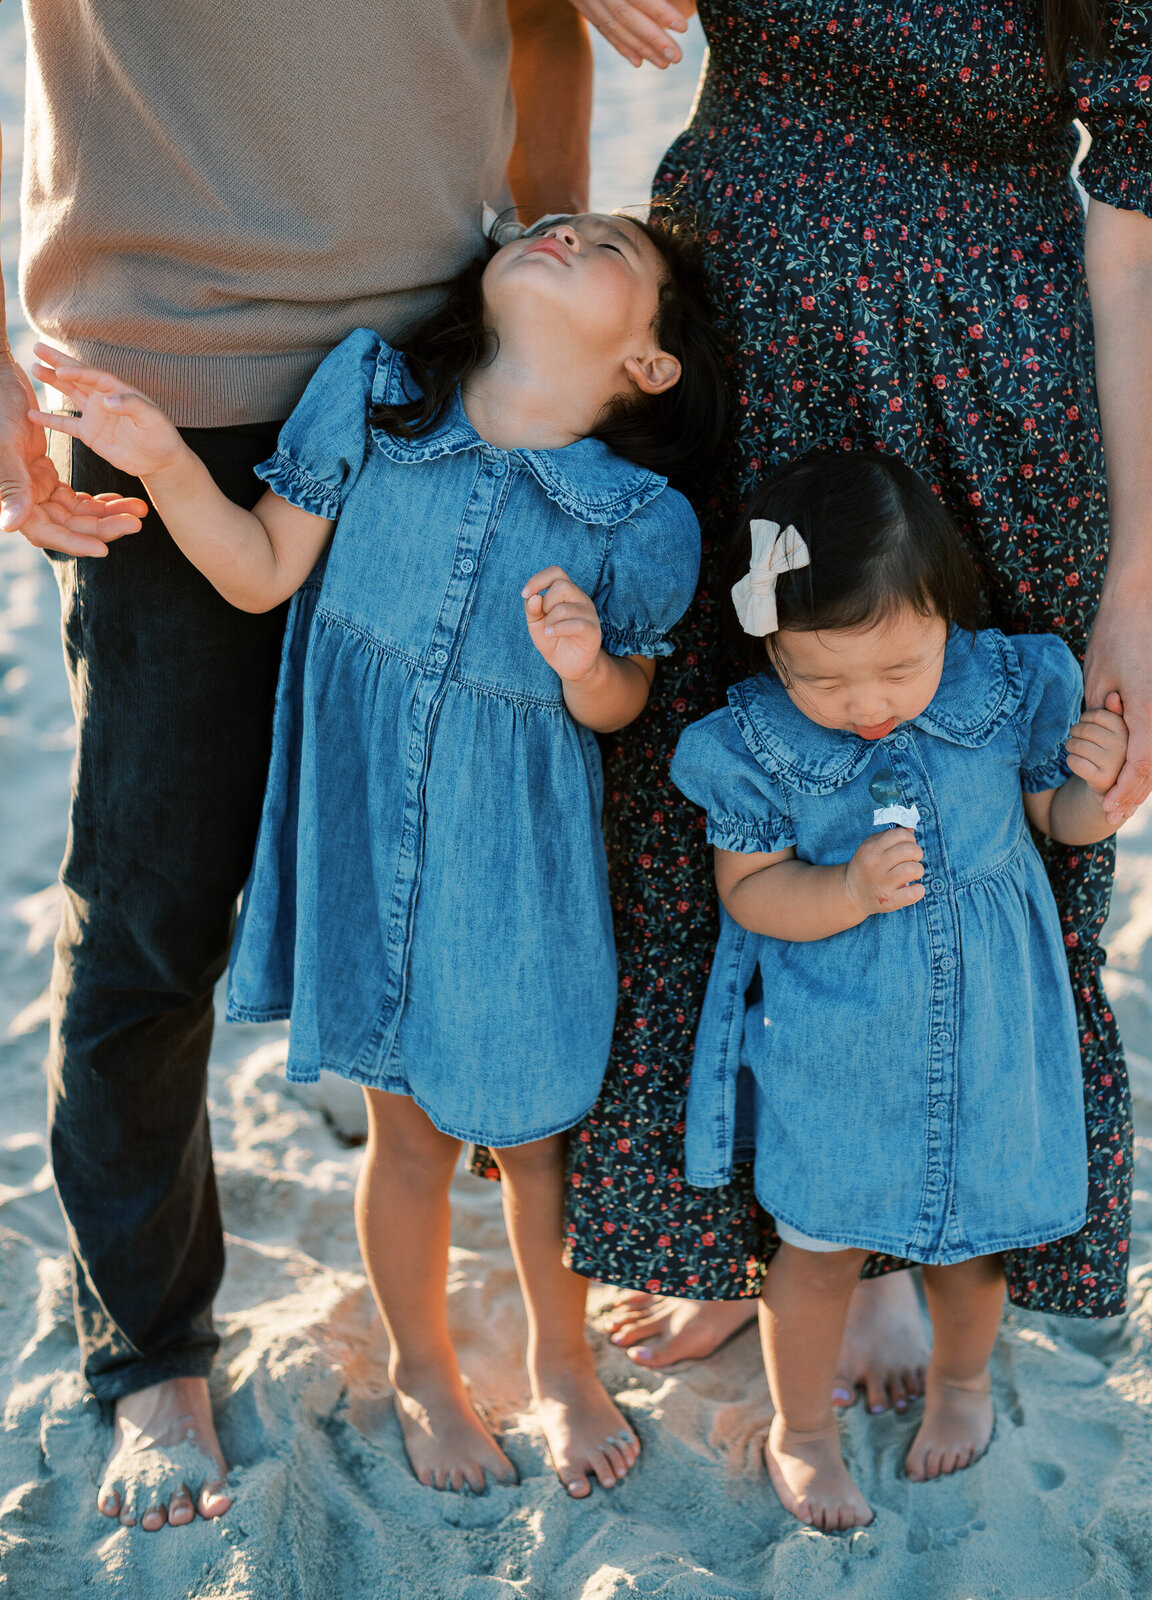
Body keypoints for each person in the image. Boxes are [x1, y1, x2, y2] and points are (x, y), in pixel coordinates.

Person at [0, 0, 595, 1532]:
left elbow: (545, 24)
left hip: (441, 383)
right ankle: (150, 1349)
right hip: (159, 382)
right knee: (156, 900)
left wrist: (548, 294)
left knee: (459, 846)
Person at [29, 206, 727, 1497]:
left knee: (537, 1141)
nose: (568, 234)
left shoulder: (641, 516)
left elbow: (622, 705)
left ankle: (565, 1367)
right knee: (403, 1138)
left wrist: (586, 664)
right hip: (361, 833)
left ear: (650, 361)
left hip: (513, 860)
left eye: (612, 250)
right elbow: (256, 573)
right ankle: (423, 1372)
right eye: (558, 224)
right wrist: (161, 459)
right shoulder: (372, 396)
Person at [555, 0, 1152, 1390]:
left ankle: (906, 1239)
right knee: (715, 793)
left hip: (983, 366)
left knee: (960, 804)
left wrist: (1134, 592)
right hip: (739, 313)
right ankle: (739, 1239)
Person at [672, 449, 1132, 1527]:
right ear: (772, 645)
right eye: (823, 678)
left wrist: (1095, 796)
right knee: (816, 1245)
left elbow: (1049, 825)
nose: (867, 703)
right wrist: (843, 889)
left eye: (898, 668)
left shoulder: (1005, 684)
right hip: (842, 1037)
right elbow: (751, 893)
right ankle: (802, 1428)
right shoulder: (754, 742)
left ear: (944, 614)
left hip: (987, 1027)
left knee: (973, 1243)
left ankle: (962, 1384)